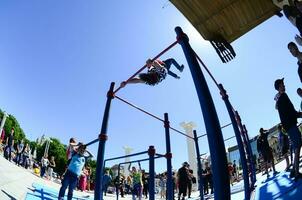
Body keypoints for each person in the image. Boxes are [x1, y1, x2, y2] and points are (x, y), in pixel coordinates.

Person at [274, 78, 302, 181]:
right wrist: (299, 115)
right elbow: (290, 111)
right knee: (298, 144)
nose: (284, 85)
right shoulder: (283, 97)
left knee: (297, 145)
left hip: (289, 126)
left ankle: (294, 170)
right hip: (291, 125)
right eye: (282, 84)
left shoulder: (280, 99)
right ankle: (296, 172)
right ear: (279, 87)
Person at [120, 58, 184, 87]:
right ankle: (179, 70)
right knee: (171, 60)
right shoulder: (162, 72)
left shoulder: (148, 78)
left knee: (150, 65)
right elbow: (158, 65)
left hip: (158, 70)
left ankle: (176, 75)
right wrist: (153, 62)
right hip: (164, 66)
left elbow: (138, 80)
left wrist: (126, 82)